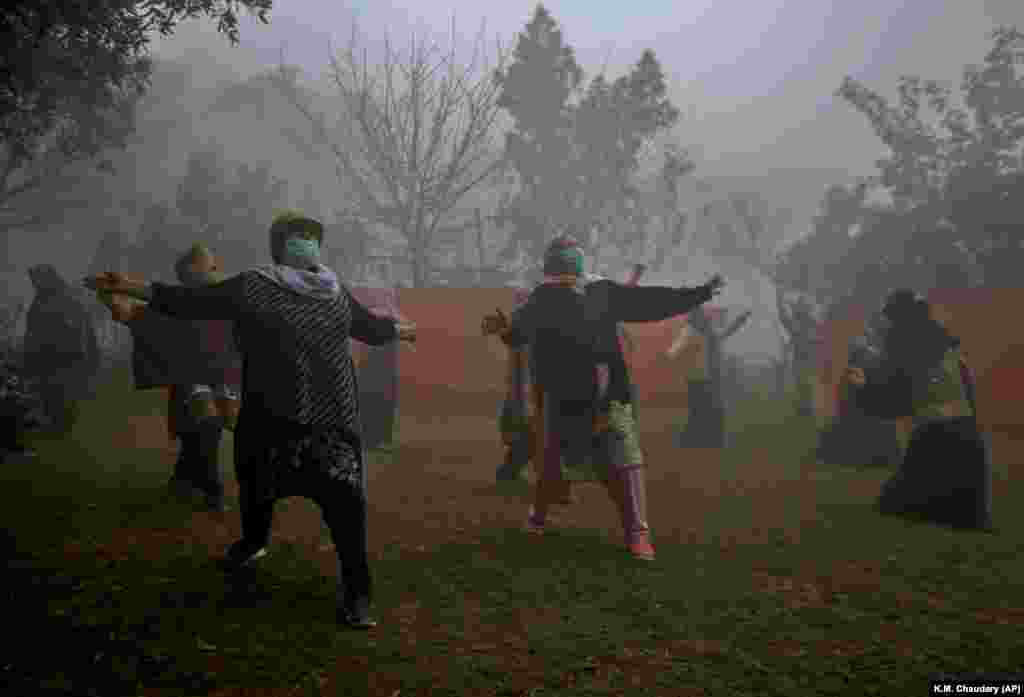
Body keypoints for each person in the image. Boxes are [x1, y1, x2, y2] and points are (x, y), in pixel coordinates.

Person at [85, 210, 417, 629]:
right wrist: (131, 286)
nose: (306, 243)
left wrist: (400, 331)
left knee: (347, 507)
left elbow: (368, 327)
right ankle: (253, 542)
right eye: (297, 236)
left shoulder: (334, 291)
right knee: (256, 485)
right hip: (270, 417)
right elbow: (190, 302)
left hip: (333, 421)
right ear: (280, 246)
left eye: (312, 236)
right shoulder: (255, 286)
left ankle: (357, 592)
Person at [484, 236, 723, 561]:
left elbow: (651, 303)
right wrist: (504, 329)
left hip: (608, 397)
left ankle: (638, 533)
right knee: (553, 463)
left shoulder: (602, 292)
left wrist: (699, 293)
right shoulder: (543, 298)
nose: (565, 268)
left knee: (623, 462)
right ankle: (540, 517)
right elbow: (519, 333)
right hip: (561, 398)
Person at [99, 244, 241, 512]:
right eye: (204, 264)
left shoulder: (226, 299)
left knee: (201, 434)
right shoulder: (177, 301)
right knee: (203, 429)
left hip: (222, 380)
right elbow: (133, 315)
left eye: (210, 264)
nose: (211, 268)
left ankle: (184, 481)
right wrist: (110, 294)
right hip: (190, 379)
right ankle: (213, 491)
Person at [844, 289, 991, 530]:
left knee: (895, 502)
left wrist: (863, 387)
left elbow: (895, 394)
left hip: (935, 431)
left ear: (898, 316)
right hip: (966, 435)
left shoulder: (901, 339)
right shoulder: (941, 336)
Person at [24, 264, 101, 434]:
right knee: (53, 393)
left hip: (63, 356)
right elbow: (33, 330)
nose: (34, 283)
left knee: (61, 392)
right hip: (53, 357)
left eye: (36, 279)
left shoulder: (62, 299)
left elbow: (79, 329)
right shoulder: (44, 299)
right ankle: (58, 424)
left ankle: (61, 425)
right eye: (33, 280)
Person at [667, 305, 752, 448]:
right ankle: (691, 443)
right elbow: (673, 352)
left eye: (703, 314)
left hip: (710, 377)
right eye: (700, 314)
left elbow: (726, 332)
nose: (704, 316)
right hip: (697, 378)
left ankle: (710, 442)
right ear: (695, 315)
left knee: (711, 411)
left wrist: (740, 320)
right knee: (700, 412)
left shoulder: (708, 332)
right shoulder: (689, 330)